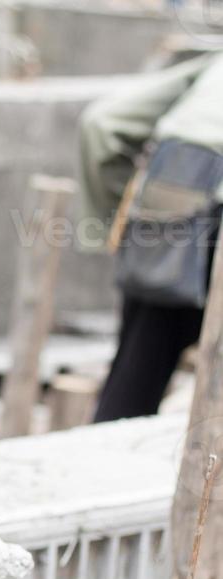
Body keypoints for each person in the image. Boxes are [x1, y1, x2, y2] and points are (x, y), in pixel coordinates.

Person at [79, 51, 223, 422]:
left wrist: (110, 228)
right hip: (211, 200)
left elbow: (100, 124)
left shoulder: (212, 64)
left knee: (139, 362)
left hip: (167, 184)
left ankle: (104, 458)